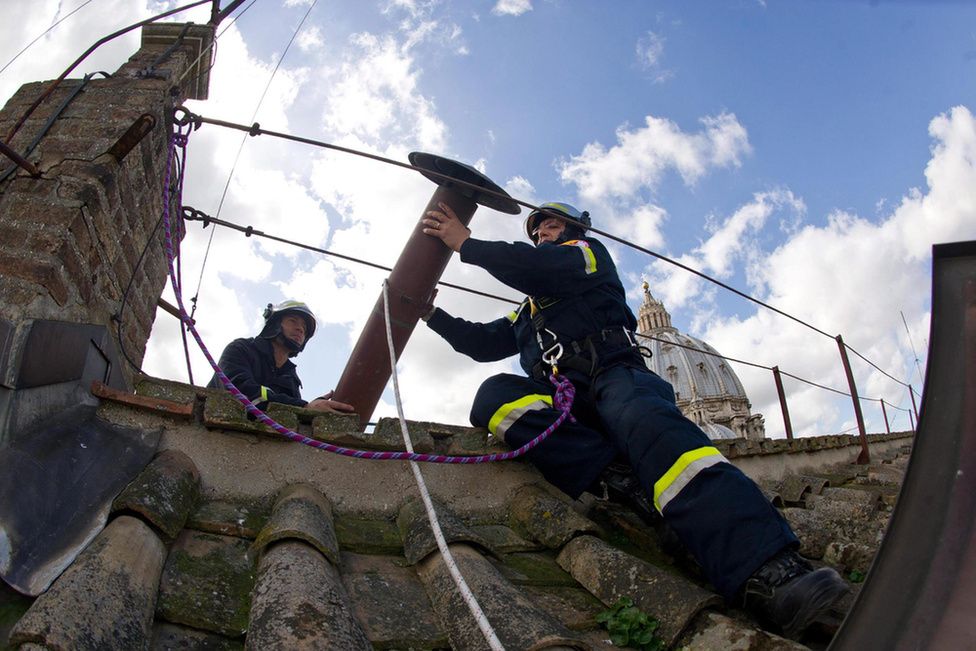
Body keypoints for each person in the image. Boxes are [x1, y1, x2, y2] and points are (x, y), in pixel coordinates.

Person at [419, 200, 848, 639]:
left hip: (615, 372)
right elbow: (484, 343)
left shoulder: (586, 255)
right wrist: (434, 316)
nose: (542, 231)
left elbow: (535, 266)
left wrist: (466, 244)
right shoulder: (527, 310)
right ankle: (617, 477)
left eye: (550, 224)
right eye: (537, 229)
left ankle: (770, 569)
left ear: (573, 230)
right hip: (568, 395)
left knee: (648, 424)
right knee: (493, 397)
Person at [208, 300, 354, 414]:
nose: (300, 329)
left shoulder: (290, 377)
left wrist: (313, 410)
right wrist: (304, 406)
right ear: (274, 324)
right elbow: (239, 392)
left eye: (304, 327)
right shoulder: (240, 349)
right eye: (293, 321)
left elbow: (292, 415)